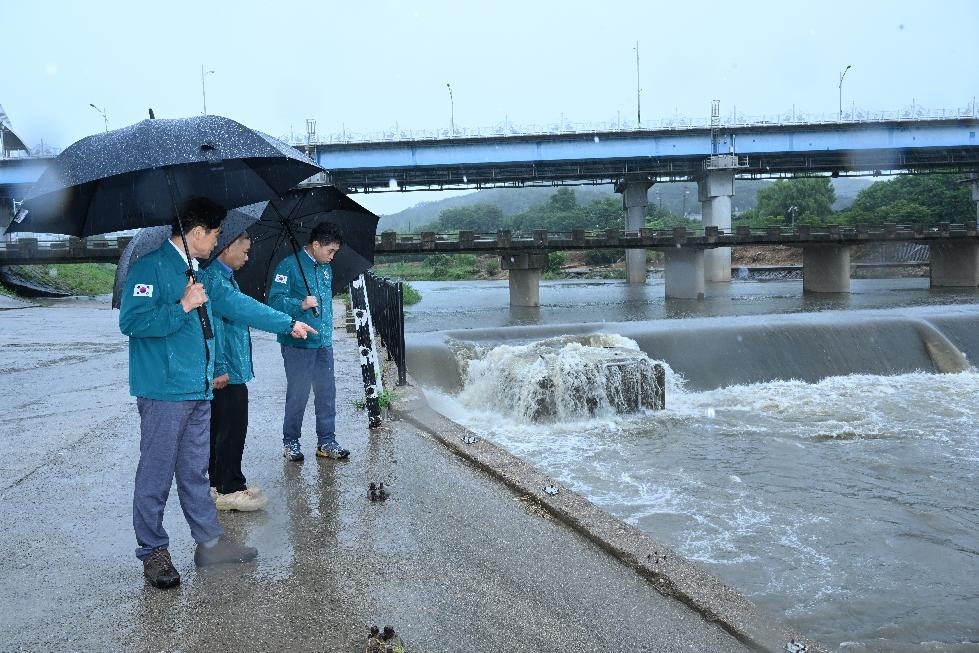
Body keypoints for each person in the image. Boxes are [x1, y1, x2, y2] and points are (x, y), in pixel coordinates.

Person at [118, 197, 314, 589]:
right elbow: (132, 322)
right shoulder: (150, 268)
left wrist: (287, 322)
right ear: (196, 233)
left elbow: (238, 305)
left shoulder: (201, 272)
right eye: (215, 235)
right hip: (163, 390)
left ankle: (209, 544)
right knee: (156, 473)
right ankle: (153, 552)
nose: (217, 242)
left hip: (197, 388)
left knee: (194, 471)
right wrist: (182, 306)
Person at [201, 230, 317, 511]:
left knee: (220, 428)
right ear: (227, 247)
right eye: (245, 249)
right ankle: (229, 488)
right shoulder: (214, 280)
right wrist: (218, 366)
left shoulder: (222, 277)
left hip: (231, 366)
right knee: (231, 428)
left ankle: (220, 483)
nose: (247, 256)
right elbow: (216, 326)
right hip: (227, 370)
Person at [268, 221, 348, 462]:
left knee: (326, 393)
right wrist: (299, 304)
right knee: (298, 393)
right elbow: (274, 301)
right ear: (315, 244)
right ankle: (290, 441)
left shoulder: (326, 269)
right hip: (298, 343)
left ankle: (327, 441)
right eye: (329, 251)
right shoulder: (288, 266)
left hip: (323, 342)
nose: (332, 257)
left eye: (335, 251)